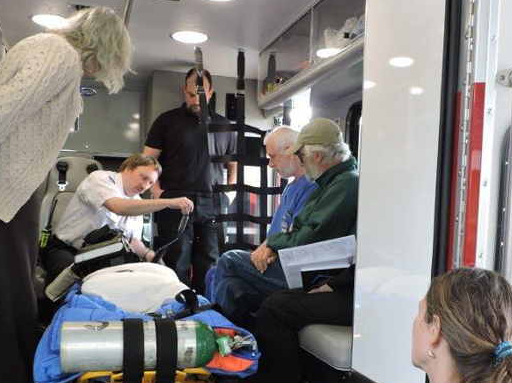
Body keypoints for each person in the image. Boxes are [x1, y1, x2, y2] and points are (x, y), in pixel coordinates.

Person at [0, 6, 133, 383]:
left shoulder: (42, 48)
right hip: (2, 193)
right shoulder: (58, 55)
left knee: (17, 306)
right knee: (15, 309)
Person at [212, 118, 358, 323]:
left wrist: (272, 244)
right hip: (295, 262)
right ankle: (241, 341)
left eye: (301, 155)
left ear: (317, 156)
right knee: (230, 287)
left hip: (310, 274)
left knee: (229, 260)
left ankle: (220, 330)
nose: (300, 161)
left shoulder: (343, 186)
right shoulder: (327, 184)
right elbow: (296, 229)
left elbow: (308, 238)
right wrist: (271, 247)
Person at [143, 67, 237, 294]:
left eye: (201, 94)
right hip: (174, 200)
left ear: (211, 92)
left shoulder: (225, 126)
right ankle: (176, 317)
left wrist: (229, 194)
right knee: (176, 264)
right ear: (183, 92)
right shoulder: (166, 121)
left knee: (210, 265)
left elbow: (234, 164)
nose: (196, 100)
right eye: (191, 94)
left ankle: (204, 314)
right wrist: (157, 194)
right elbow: (147, 161)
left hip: (213, 202)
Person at [210, 125, 317, 315]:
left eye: (273, 157)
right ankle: (233, 337)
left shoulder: (311, 187)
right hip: (276, 261)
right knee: (226, 284)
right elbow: (275, 234)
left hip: (291, 271)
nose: (270, 164)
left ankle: (213, 323)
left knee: (228, 260)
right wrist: (266, 248)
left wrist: (271, 249)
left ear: (292, 151)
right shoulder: (290, 188)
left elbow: (298, 237)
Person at [42, 153, 194, 283]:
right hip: (67, 250)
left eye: (150, 183)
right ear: (128, 170)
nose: (144, 186)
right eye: (143, 178)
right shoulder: (100, 179)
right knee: (70, 285)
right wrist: (168, 202)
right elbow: (118, 207)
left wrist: (149, 254)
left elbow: (132, 240)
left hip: (99, 258)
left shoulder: (138, 203)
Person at [249, 265, 354, 383]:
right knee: (274, 300)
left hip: (366, 294)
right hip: (357, 283)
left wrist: (336, 284)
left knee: (275, 310)